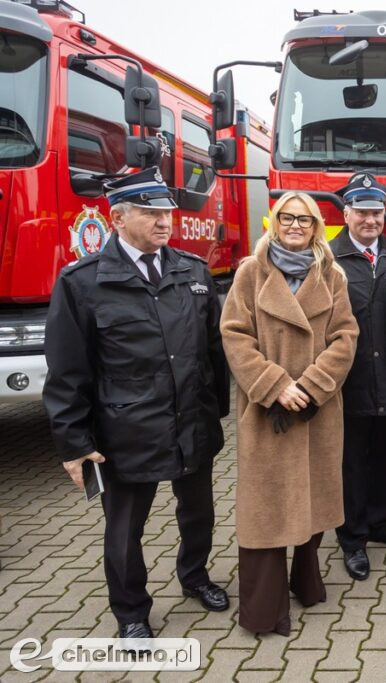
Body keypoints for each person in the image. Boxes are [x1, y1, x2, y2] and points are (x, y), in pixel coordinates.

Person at [43, 167, 231, 641]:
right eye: (151, 213)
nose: (164, 221)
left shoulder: (193, 271)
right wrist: (74, 445)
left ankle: (195, 577)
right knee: (124, 531)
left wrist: (215, 413)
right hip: (123, 433)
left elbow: (212, 350)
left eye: (166, 212)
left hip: (191, 421)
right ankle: (130, 612)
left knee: (199, 514)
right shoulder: (82, 283)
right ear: (118, 219)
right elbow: (67, 373)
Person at [221, 192, 358, 635]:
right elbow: (235, 335)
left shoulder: (332, 275)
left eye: (304, 219)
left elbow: (345, 336)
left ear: (317, 226)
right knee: (265, 513)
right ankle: (264, 611)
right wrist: (276, 385)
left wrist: (313, 385)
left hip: (317, 411)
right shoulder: (250, 272)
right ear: (274, 222)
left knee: (313, 501)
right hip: (268, 414)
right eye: (287, 218)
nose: (295, 225)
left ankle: (306, 581)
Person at [329, 174, 386, 581]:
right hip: (349, 382)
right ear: (346, 214)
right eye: (362, 212)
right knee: (351, 464)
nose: (370, 220)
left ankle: (382, 523)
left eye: (376, 212)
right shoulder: (328, 259)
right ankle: (352, 537)